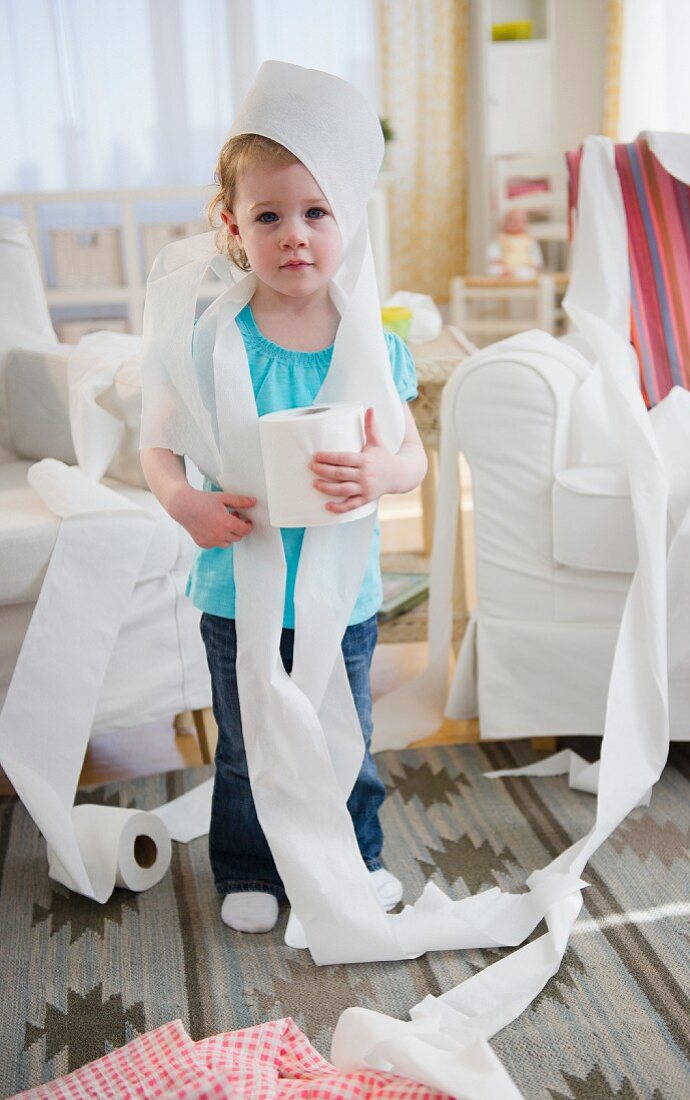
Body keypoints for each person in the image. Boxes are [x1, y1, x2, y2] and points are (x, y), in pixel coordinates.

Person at [141, 125, 427, 935]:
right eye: (268, 216)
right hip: (238, 591)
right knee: (246, 743)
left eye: (316, 211)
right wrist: (182, 501)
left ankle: (356, 857)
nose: (295, 232)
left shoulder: (375, 344)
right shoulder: (210, 342)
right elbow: (156, 447)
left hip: (344, 594)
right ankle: (249, 864)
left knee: (347, 736)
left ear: (348, 222)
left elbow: (411, 459)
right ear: (231, 227)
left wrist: (383, 474)